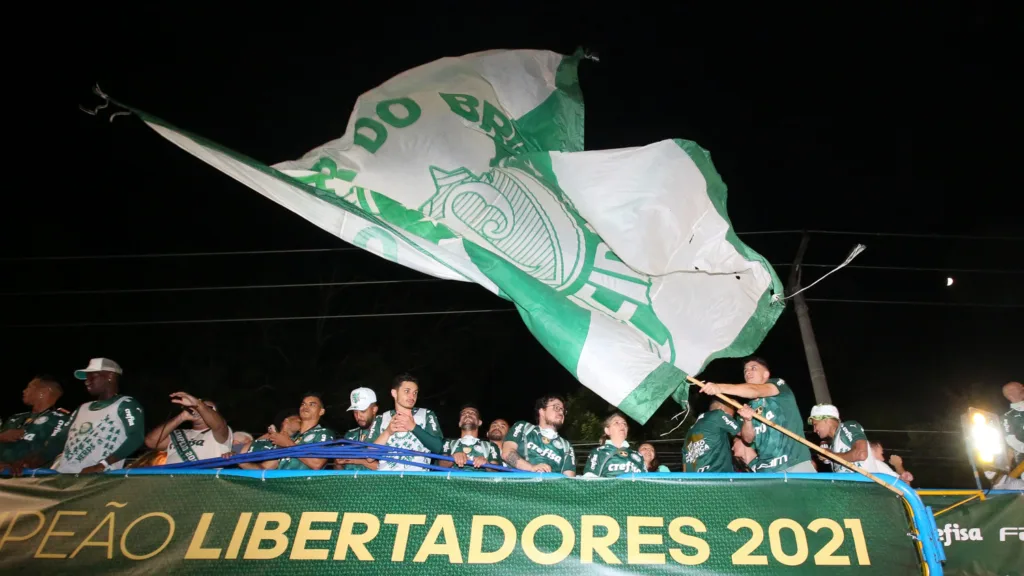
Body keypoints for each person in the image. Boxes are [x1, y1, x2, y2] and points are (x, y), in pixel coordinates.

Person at [701, 356, 815, 473]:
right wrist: (747, 420)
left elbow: (754, 390)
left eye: (753, 368)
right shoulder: (746, 409)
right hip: (768, 471)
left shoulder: (779, 386)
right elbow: (748, 439)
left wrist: (719, 387)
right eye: (745, 370)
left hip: (795, 463)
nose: (748, 372)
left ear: (766, 374)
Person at [49, 358, 145, 473]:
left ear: (110, 376)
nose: (86, 381)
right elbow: (59, 439)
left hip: (97, 480)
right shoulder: (82, 408)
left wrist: (102, 465)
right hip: (64, 476)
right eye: (86, 377)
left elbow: (136, 437)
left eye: (92, 377)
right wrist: (33, 460)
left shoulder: (125, 404)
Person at [368, 374, 443, 471]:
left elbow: (438, 448)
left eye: (415, 393)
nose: (412, 396)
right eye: (407, 391)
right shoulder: (381, 419)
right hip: (386, 481)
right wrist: (387, 432)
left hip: (417, 480)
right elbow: (369, 457)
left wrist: (414, 427)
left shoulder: (426, 415)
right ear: (394, 393)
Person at [0, 376, 72, 474]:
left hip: (33, 479)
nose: (24, 391)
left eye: (29, 387)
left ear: (44, 392)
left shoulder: (62, 419)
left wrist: (26, 463)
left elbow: (53, 449)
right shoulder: (15, 418)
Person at [144, 392, 232, 464]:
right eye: (197, 408)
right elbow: (151, 442)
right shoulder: (178, 434)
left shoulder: (220, 433)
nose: (201, 409)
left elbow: (219, 425)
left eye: (208, 408)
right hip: (170, 481)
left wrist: (198, 404)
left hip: (202, 482)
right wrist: (182, 417)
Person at [503, 395, 576, 476]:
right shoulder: (523, 427)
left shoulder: (566, 446)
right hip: (518, 484)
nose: (561, 412)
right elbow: (507, 453)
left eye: (563, 410)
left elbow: (569, 479)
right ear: (542, 411)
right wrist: (531, 468)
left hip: (550, 487)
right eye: (556, 407)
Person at [263, 393, 335, 471]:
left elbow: (317, 464)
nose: (305, 407)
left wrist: (288, 444)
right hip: (281, 482)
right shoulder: (292, 437)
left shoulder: (323, 433)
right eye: (303, 404)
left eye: (312, 404)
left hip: (303, 482)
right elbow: (264, 468)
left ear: (321, 411)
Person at [684, 399, 752, 472]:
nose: (731, 419)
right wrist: (747, 418)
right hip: (719, 478)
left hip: (696, 481)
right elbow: (748, 437)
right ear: (722, 409)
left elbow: (685, 467)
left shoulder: (689, 432)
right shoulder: (718, 414)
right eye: (731, 416)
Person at [437, 404, 502, 472]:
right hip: (452, 481)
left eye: (472, 413)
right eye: (463, 413)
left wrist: (486, 463)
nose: (467, 414)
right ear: (459, 423)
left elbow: (496, 471)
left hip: (480, 481)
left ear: (479, 422)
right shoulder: (448, 442)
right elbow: (441, 465)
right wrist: (453, 457)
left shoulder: (491, 446)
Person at [808, 404, 870, 473]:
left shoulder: (847, 427)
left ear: (827, 420)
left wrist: (831, 455)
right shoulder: (832, 445)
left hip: (866, 482)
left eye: (815, 424)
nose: (814, 430)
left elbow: (861, 454)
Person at [582, 413, 646, 477]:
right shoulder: (598, 452)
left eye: (624, 423)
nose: (622, 425)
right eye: (617, 423)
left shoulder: (638, 455)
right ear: (607, 431)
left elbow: (646, 481)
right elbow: (589, 481)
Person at [338, 387, 379, 471]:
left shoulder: (385, 431)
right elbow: (339, 471)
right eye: (355, 412)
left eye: (363, 411)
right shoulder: (350, 435)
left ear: (374, 409)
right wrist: (338, 462)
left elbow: (391, 468)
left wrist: (358, 461)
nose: (358, 416)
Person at [1002, 381, 1024, 467]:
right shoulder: (1008, 417)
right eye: (1019, 387)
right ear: (1010, 394)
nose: (1023, 388)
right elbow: (1011, 440)